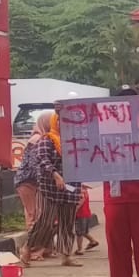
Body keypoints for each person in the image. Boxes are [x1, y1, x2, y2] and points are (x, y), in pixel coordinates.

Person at [28, 112, 83, 268]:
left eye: (65, 120)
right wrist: (55, 175)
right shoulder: (46, 140)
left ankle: (66, 256)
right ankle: (27, 250)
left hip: (70, 187)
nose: (61, 123)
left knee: (67, 223)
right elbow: (42, 160)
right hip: (50, 187)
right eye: (58, 120)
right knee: (45, 222)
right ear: (53, 122)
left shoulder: (73, 141)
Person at [13, 121, 45, 262]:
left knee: (37, 214)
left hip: (33, 182)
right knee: (34, 215)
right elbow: (34, 164)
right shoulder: (37, 140)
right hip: (28, 181)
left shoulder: (42, 138)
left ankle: (38, 249)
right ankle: (30, 251)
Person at [77, 185, 101, 252]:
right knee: (83, 231)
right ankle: (93, 241)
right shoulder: (84, 190)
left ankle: (79, 249)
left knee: (79, 232)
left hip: (80, 214)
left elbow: (80, 202)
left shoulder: (80, 191)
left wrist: (74, 211)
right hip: (86, 213)